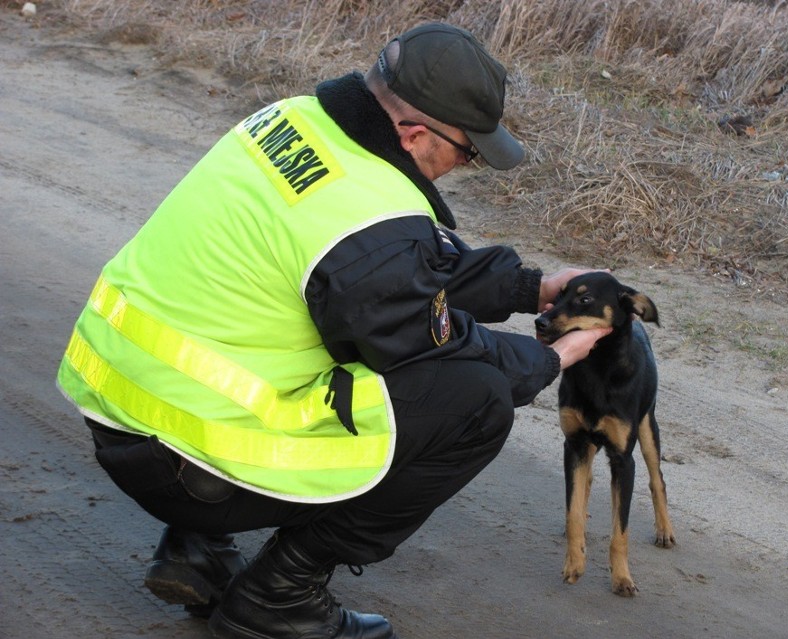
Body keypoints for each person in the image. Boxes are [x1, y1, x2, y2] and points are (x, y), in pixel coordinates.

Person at [56, 22, 611, 639]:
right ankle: (279, 595)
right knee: (475, 400)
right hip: (186, 461)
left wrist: (530, 288)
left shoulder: (296, 120)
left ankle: (198, 548)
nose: (465, 165)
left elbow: (401, 261)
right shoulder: (364, 217)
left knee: (294, 325)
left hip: (121, 400)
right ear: (414, 133)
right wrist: (548, 360)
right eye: (468, 151)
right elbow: (427, 338)